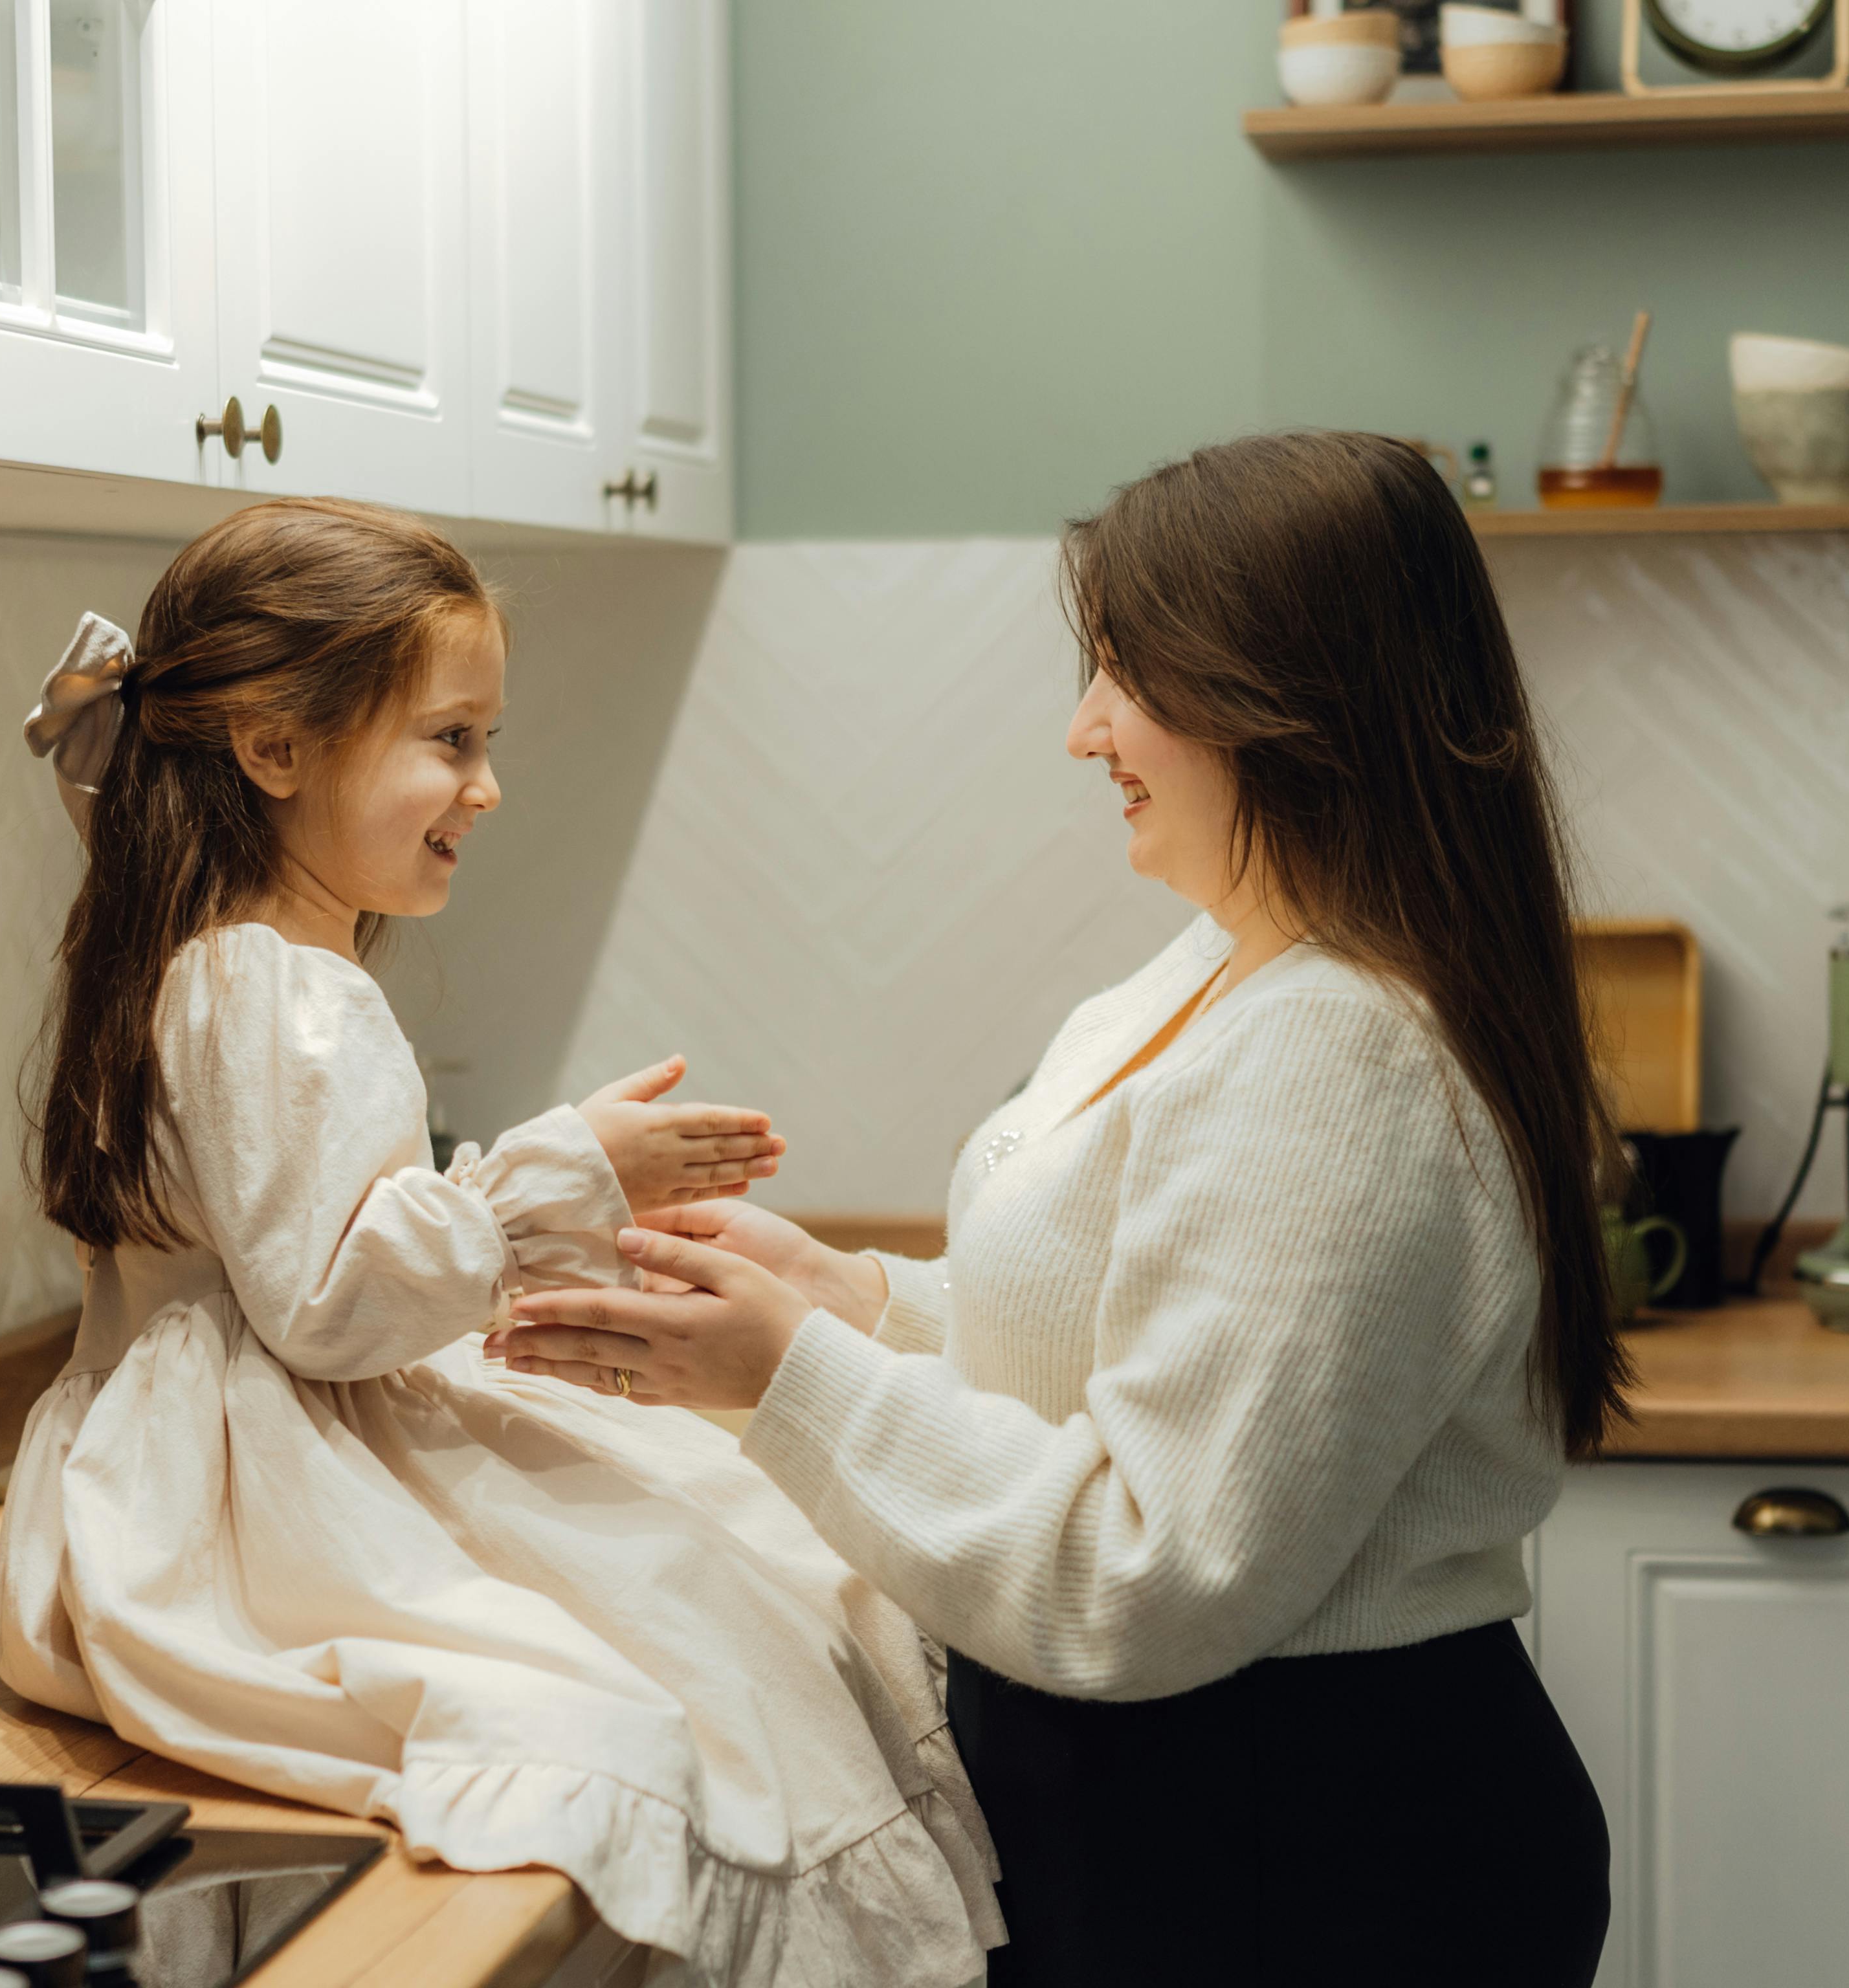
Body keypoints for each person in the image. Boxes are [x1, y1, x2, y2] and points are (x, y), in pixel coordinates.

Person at [493, 432, 1621, 1983]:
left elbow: (1146, 1570)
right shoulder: (1224, 969)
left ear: (1275, 694)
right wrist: (859, 1304)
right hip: (1187, 1816)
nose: (1085, 729)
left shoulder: (1339, 1051)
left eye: (1125, 673)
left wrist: (784, 1379)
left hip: (1306, 1854)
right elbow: (1136, 1326)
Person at [0, 498, 999, 1987]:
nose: (486, 785)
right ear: (271, 750)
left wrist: (553, 1201)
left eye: (487, 740)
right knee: (714, 1644)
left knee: (725, 1577)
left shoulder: (217, 959)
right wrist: (564, 1172)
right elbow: (328, 1307)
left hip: (205, 1448)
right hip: (266, 1478)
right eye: (451, 740)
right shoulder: (279, 986)